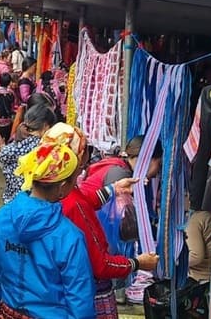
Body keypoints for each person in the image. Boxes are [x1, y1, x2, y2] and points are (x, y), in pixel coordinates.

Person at [0, 136, 96, 319]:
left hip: (8, 311)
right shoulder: (69, 236)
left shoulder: (2, 217)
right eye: (73, 180)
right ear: (62, 185)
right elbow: (79, 297)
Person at [61, 135, 162, 318]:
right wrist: (138, 262)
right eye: (85, 151)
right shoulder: (75, 207)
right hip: (86, 285)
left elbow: (87, 199)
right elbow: (100, 264)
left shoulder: (65, 196)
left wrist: (114, 189)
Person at [0, 105, 56, 204]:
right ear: (46, 126)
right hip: (34, 205)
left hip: (11, 203)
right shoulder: (44, 150)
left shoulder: (16, 143)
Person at [0, 73, 16, 167]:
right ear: (9, 82)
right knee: (6, 141)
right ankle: (6, 158)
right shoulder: (11, 93)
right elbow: (13, 105)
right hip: (7, 121)